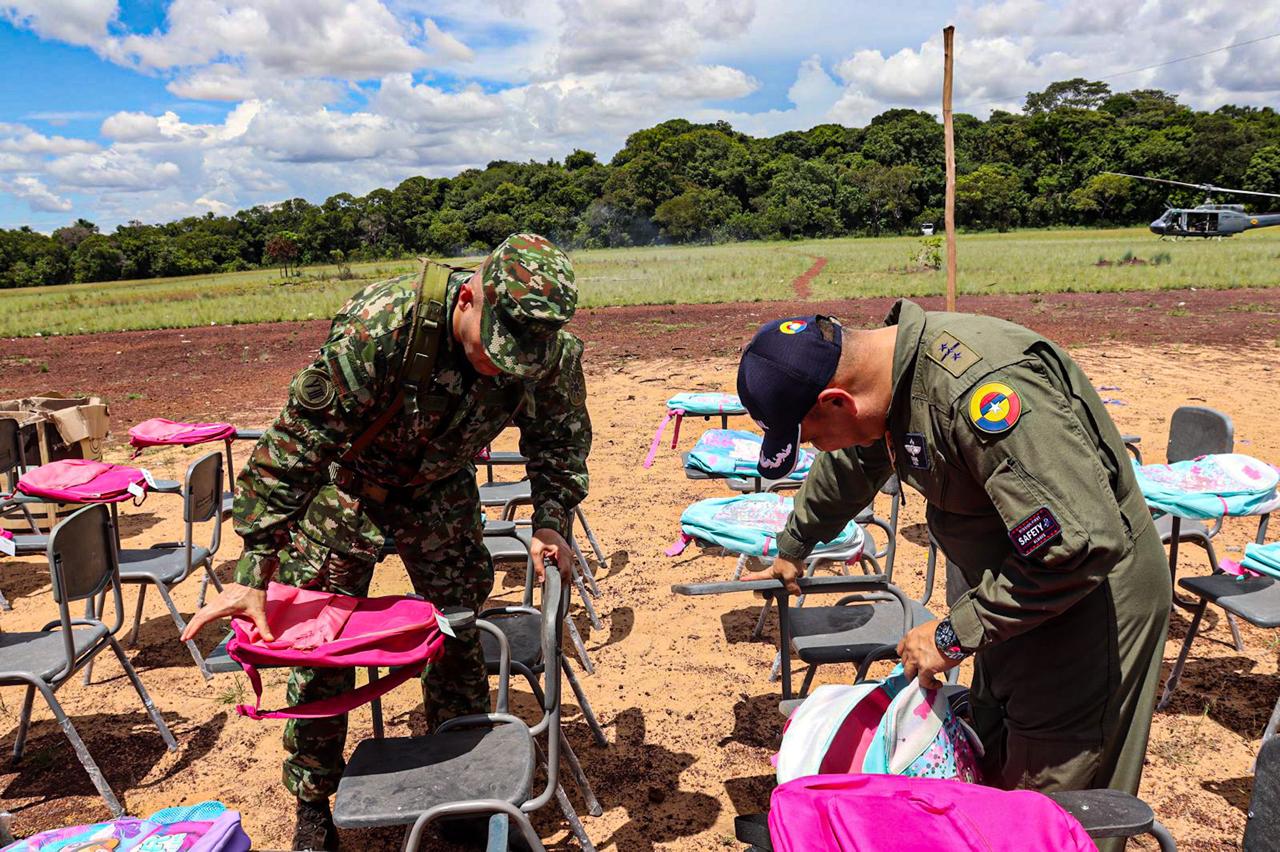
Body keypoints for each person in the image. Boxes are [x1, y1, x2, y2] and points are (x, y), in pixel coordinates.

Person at [182, 233, 591, 850]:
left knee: (456, 633)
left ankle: (461, 788)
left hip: (439, 492)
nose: (503, 366)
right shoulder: (384, 326)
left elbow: (557, 441)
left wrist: (551, 519)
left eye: (520, 358)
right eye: (495, 348)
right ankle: (314, 801)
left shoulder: (550, 352)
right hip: (347, 491)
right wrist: (254, 570)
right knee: (321, 650)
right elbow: (296, 445)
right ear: (469, 299)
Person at [736, 306, 1170, 810]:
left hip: (1087, 608)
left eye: (812, 437)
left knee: (1047, 803)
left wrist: (952, 634)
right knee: (993, 753)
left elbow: (1078, 546)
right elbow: (852, 463)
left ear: (837, 401)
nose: (819, 448)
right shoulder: (888, 385)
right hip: (1015, 598)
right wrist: (795, 544)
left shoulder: (981, 389)